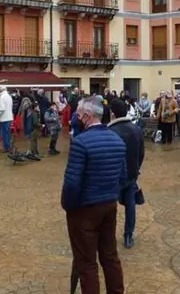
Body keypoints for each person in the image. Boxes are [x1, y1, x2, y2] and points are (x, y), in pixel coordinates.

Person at [61, 96, 126, 293]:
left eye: (79, 114)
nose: (76, 118)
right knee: (110, 256)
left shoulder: (81, 142)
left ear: (88, 116)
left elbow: (72, 183)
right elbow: (123, 177)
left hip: (85, 209)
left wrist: (68, 206)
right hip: (109, 205)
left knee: (86, 262)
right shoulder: (117, 139)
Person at [108, 98, 145, 249]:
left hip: (114, 176)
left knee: (110, 206)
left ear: (113, 113)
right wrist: (136, 168)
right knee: (130, 205)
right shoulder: (136, 129)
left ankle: (108, 235)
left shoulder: (110, 131)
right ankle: (128, 235)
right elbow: (141, 153)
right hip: (131, 173)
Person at [0, 86, 15, 156]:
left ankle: (6, 147)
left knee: (4, 134)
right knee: (8, 133)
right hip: (9, 117)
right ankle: (8, 146)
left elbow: (2, 109)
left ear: (0, 90)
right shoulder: (9, 96)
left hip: (4, 118)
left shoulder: (2, 97)